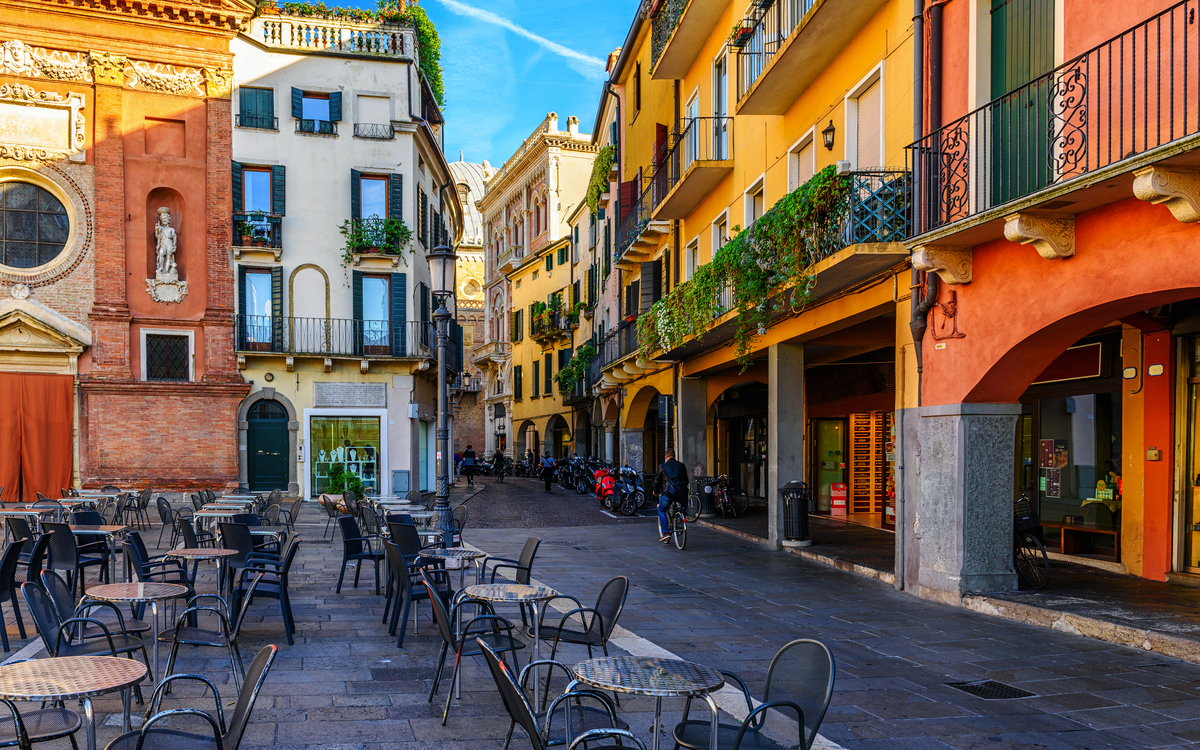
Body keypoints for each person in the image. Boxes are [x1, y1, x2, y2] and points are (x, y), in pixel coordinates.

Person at [653, 449, 689, 543]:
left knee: (661, 509)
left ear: (666, 457)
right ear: (675, 456)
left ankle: (666, 533)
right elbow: (686, 480)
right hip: (682, 493)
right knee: (684, 502)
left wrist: (655, 491)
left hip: (669, 493)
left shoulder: (662, 466)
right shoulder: (681, 465)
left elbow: (657, 481)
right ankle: (682, 515)